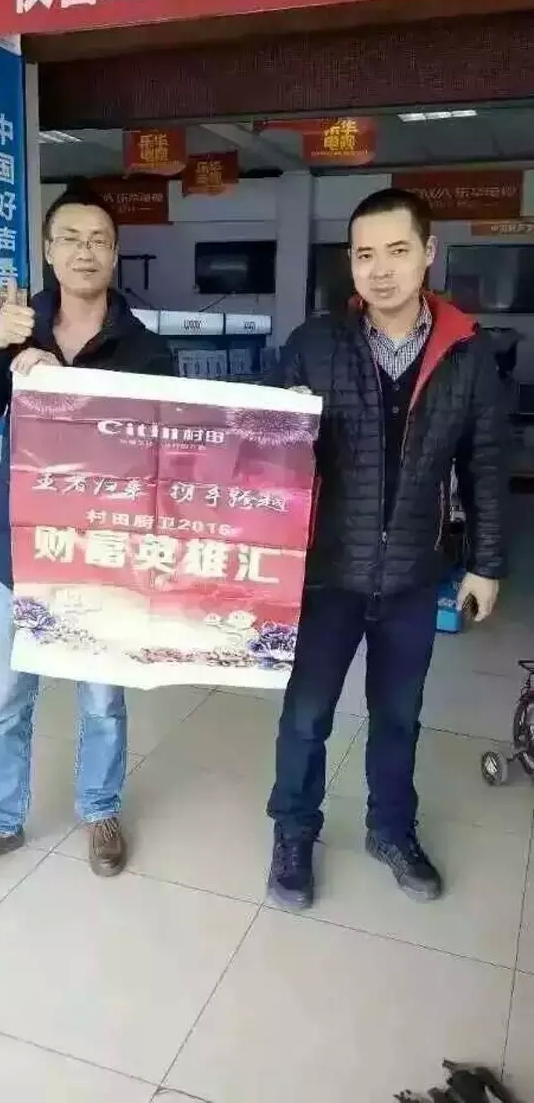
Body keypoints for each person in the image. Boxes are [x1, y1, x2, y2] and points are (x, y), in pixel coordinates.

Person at [267, 188, 506, 909]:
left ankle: (391, 829)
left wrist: (486, 563)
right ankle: (294, 831)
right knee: (307, 715)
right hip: (326, 571)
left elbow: (485, 463)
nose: (380, 270)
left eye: (397, 251)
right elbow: (268, 450)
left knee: (398, 716)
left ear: (427, 253)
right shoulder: (315, 345)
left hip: (411, 573)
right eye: (365, 254)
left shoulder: (467, 352)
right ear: (351, 263)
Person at [0, 179, 173, 885]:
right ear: (47, 249)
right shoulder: (14, 328)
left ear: (115, 253)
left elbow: (164, 457)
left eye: (98, 239)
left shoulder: (145, 349)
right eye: (70, 238)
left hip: (103, 555)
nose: (84, 251)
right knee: (8, 697)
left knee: (102, 698)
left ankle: (100, 810)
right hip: (16, 549)